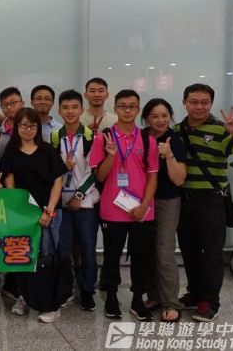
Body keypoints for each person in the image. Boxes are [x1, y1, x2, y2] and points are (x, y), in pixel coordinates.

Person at [174, 84, 233, 322]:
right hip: (184, 199)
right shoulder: (177, 130)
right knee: (189, 250)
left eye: (205, 102)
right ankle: (194, 293)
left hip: (211, 200)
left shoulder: (221, 129)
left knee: (211, 252)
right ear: (184, 102)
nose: (199, 106)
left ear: (211, 103)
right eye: (194, 102)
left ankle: (210, 302)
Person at [89, 89, 158, 322]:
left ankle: (138, 299)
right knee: (111, 256)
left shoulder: (148, 140)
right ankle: (111, 297)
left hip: (142, 211)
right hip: (112, 210)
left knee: (141, 257)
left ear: (138, 109)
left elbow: (153, 177)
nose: (127, 110)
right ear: (115, 108)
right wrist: (110, 155)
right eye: (122, 106)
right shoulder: (103, 138)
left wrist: (144, 206)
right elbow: (100, 176)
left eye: (132, 106)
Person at [0, 108, 67, 323]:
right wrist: (20, 213)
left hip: (48, 212)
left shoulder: (48, 151)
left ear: (38, 128)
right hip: (23, 214)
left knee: (47, 257)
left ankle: (51, 305)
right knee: (25, 255)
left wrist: (49, 210)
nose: (28, 130)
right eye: (23, 125)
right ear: (16, 127)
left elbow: (58, 182)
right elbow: (9, 183)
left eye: (32, 126)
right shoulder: (11, 152)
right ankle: (26, 297)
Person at [51, 89, 100, 312]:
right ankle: (66, 287)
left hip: (85, 203)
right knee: (63, 250)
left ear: (81, 109)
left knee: (88, 249)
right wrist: (63, 167)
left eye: (74, 107)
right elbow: (51, 170)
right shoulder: (54, 137)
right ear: (59, 111)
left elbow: (95, 171)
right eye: (65, 107)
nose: (70, 111)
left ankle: (87, 290)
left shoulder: (91, 137)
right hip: (61, 202)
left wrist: (80, 195)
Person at [141, 98, 187, 323]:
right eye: (155, 116)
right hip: (142, 200)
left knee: (164, 251)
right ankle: (155, 296)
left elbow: (179, 179)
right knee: (148, 250)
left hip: (167, 201)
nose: (160, 120)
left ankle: (171, 303)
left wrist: (168, 155)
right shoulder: (141, 137)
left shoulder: (175, 140)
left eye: (165, 116)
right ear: (146, 118)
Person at [0, 87, 25, 159]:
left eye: (13, 103)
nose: (9, 107)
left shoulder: (32, 127)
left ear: (22, 103)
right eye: (5, 104)